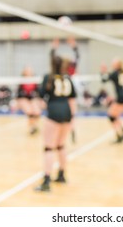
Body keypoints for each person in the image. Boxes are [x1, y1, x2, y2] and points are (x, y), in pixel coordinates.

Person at [35, 51, 77, 192]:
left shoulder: (49, 78)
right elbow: (72, 100)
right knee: (61, 145)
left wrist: (46, 106)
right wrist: (72, 119)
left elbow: (41, 99)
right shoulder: (68, 78)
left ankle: (46, 181)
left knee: (49, 147)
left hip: (54, 113)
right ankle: (62, 175)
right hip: (67, 113)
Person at [100, 59, 123, 144]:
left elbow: (104, 80)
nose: (112, 64)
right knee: (115, 116)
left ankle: (118, 136)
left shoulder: (115, 73)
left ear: (117, 65)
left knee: (111, 117)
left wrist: (102, 71)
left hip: (121, 98)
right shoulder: (120, 72)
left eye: (113, 62)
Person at [16, 66, 41, 135]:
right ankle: (32, 127)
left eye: (30, 70)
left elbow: (39, 92)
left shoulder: (35, 80)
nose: (29, 72)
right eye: (27, 71)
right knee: (29, 111)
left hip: (33, 99)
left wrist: (40, 100)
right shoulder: (22, 81)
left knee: (36, 111)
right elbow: (18, 94)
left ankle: (34, 126)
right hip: (24, 99)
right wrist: (17, 102)